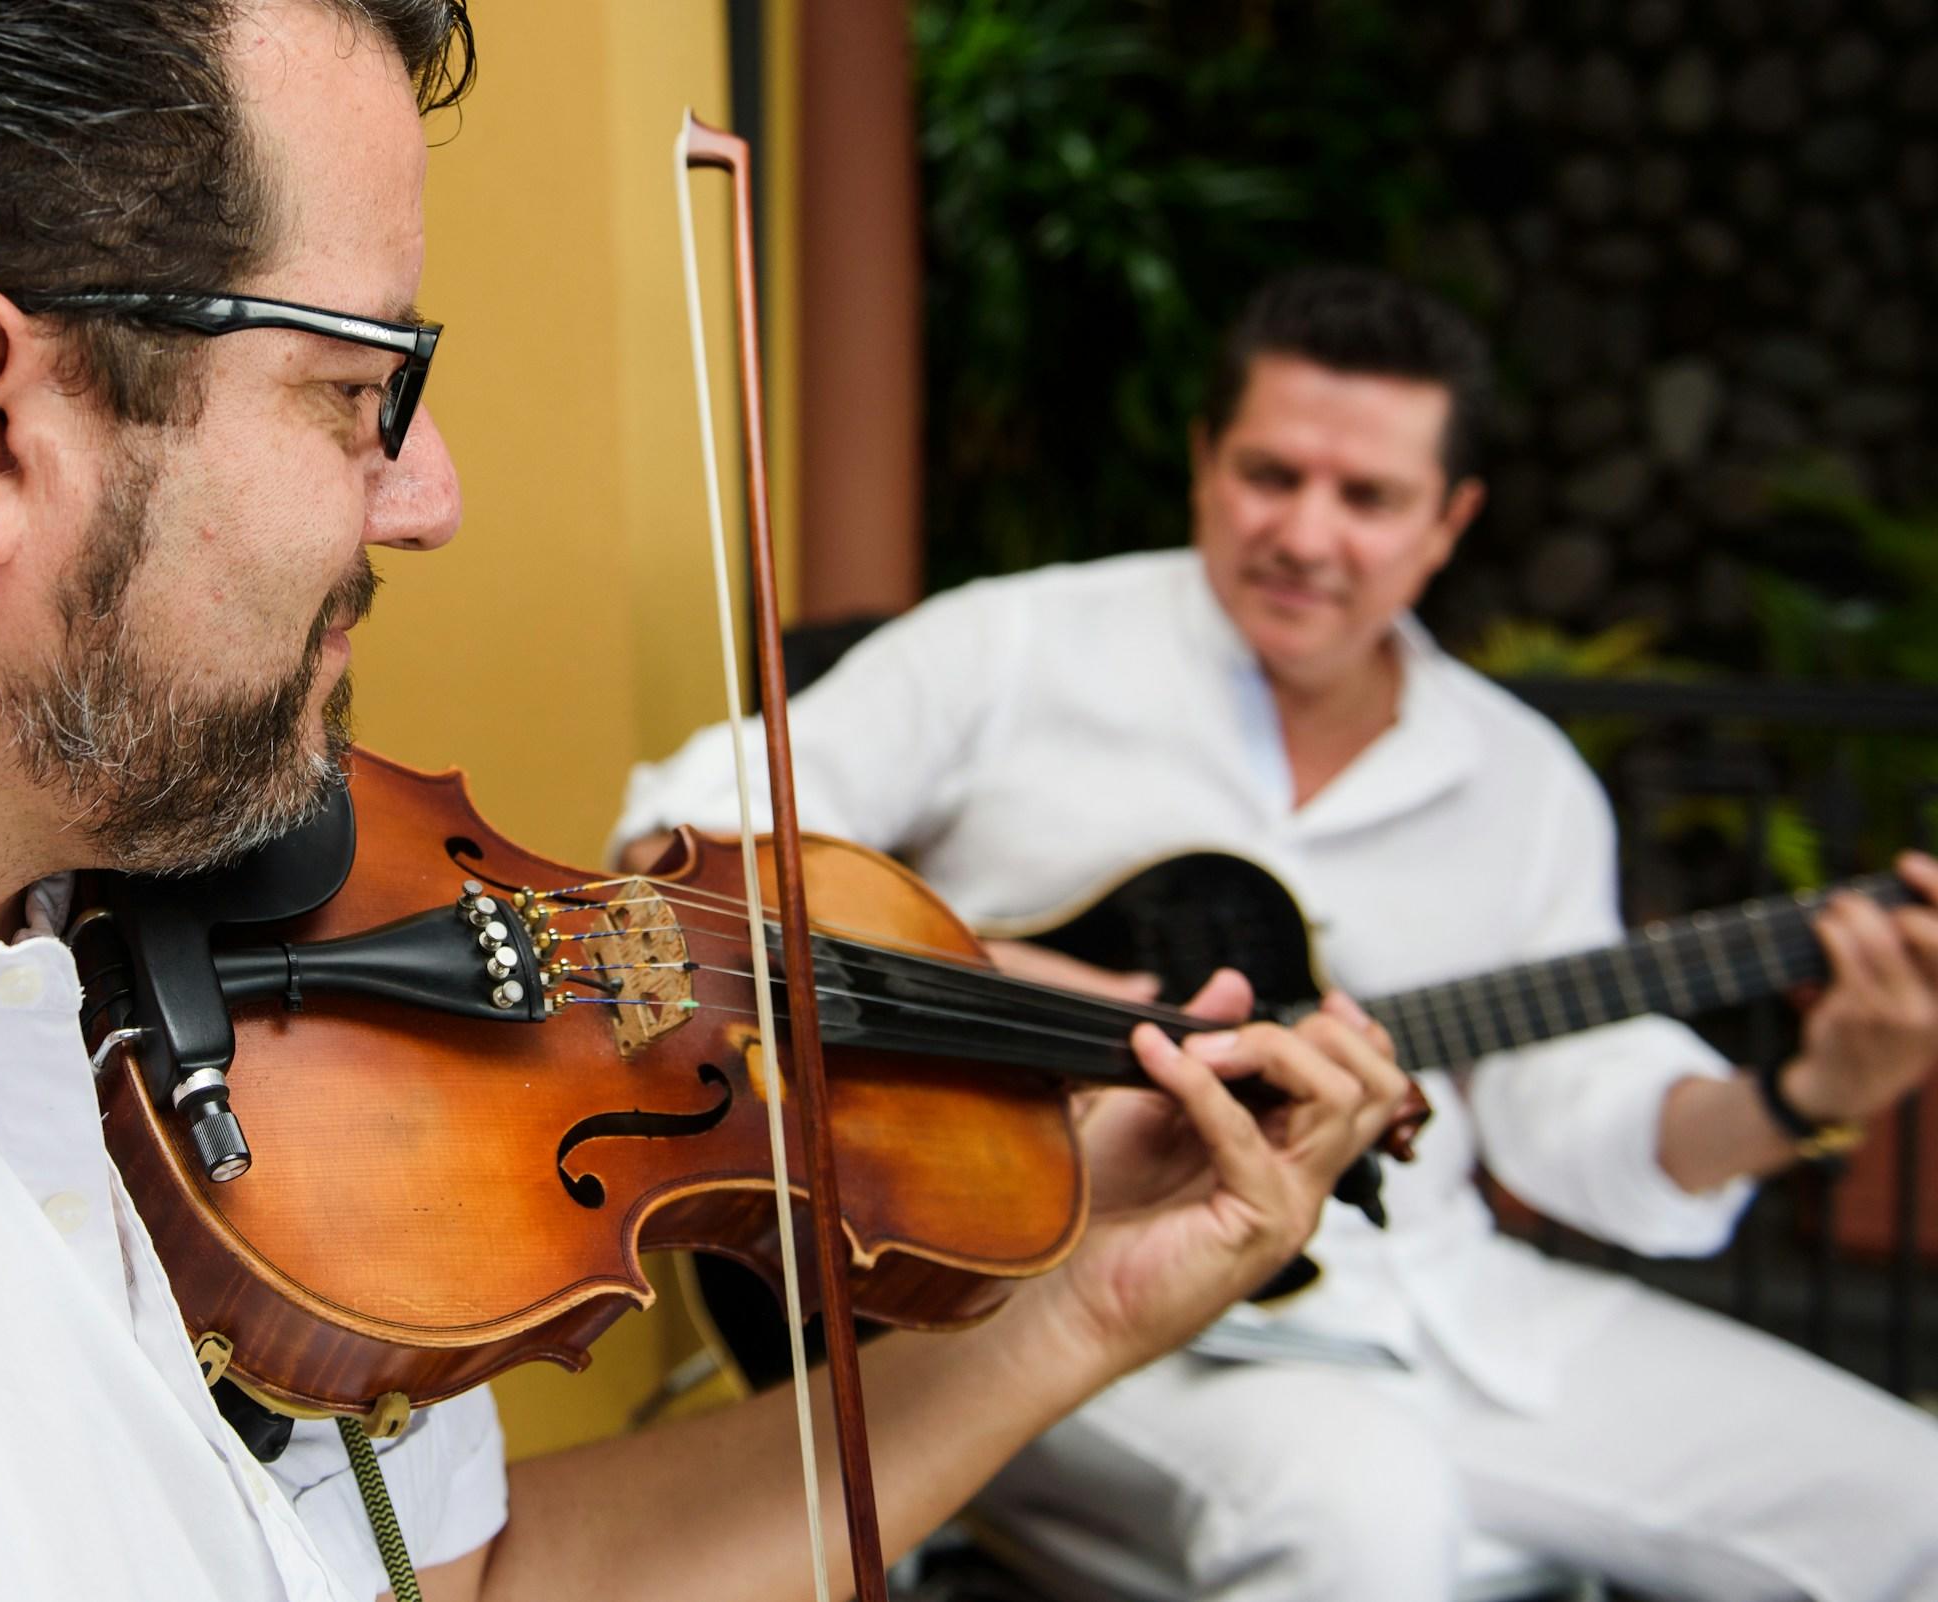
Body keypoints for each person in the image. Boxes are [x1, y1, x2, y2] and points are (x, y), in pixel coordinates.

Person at [0, 7, 1414, 1601]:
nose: (428, 496)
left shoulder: (111, 904)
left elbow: (472, 1577)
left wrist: (1073, 1316)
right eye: (363, 386)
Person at [612, 267, 1938, 1601]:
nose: (1307, 532)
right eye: (1270, 474)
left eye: (1367, 499)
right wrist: (1005, 982)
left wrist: (1802, 1092)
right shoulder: (1018, 646)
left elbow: (1583, 1121)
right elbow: (683, 835)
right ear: (1203, 462)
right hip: (1074, 1287)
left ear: (1449, 521)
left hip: (1446, 1303)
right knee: (1363, 1528)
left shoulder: (1522, 777)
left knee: (1907, 1502)